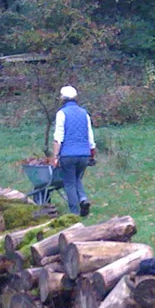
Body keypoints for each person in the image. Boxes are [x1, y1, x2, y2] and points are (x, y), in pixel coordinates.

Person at [52, 85, 96, 217]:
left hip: (68, 154)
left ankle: (74, 212)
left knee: (69, 182)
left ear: (62, 99)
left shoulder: (61, 113)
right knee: (77, 179)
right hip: (84, 154)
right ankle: (83, 199)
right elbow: (90, 136)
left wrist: (55, 157)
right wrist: (92, 154)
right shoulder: (84, 113)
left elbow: (58, 137)